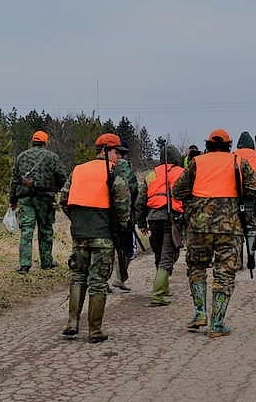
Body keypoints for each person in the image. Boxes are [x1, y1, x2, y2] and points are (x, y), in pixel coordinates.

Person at [172, 128, 256, 337]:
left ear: (208, 145)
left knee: (196, 268)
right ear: (229, 145)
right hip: (229, 228)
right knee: (224, 274)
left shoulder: (197, 162)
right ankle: (217, 324)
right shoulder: (237, 162)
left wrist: (196, 199)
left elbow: (177, 190)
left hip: (198, 226)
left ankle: (200, 313)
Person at [59, 133, 132, 343]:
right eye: (117, 152)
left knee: (78, 277)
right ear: (105, 151)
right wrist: (121, 225)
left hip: (79, 235)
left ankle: (72, 323)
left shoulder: (78, 170)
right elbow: (122, 205)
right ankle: (94, 330)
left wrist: (78, 219)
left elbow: (64, 199)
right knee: (98, 282)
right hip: (103, 236)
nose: (119, 157)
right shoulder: (114, 173)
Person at [9, 130, 67, 274]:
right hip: (45, 199)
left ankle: (24, 264)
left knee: (26, 231)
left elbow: (15, 180)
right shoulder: (52, 157)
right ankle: (47, 262)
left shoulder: (21, 156)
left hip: (25, 199)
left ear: (32, 141)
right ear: (46, 142)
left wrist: (13, 200)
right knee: (46, 230)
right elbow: (62, 178)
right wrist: (56, 190)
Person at [136, 144, 185, 306]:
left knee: (159, 255)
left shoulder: (151, 174)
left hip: (153, 219)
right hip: (173, 220)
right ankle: (157, 295)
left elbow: (140, 201)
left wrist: (141, 222)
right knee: (168, 257)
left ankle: (164, 288)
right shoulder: (182, 173)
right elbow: (189, 199)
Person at [110, 141, 139, 292]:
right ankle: (119, 278)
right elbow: (133, 189)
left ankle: (101, 281)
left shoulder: (102, 167)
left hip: (103, 215)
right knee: (127, 249)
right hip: (123, 215)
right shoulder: (124, 167)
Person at [234, 131, 256, 264]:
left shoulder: (233, 156)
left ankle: (238, 258)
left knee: (238, 228)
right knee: (252, 227)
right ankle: (251, 254)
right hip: (253, 199)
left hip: (236, 197)